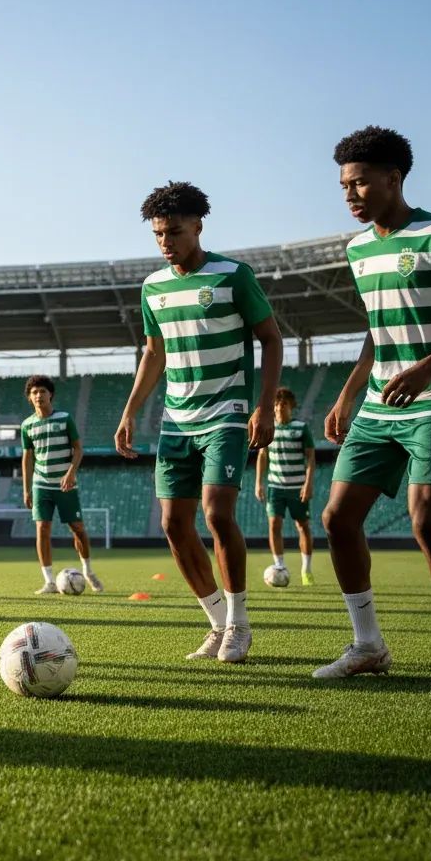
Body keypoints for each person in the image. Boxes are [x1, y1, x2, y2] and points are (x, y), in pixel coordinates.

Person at [318, 126, 431, 693]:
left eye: (361, 183)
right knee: (337, 519)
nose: (351, 194)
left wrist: (425, 368)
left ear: (394, 179)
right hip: (378, 401)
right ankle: (369, 645)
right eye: (344, 185)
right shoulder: (357, 248)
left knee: (427, 522)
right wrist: (350, 392)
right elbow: (378, 329)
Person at [115, 181, 282, 663]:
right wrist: (129, 411)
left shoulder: (233, 275)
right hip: (176, 421)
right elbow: (154, 353)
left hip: (226, 414)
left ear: (198, 226)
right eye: (158, 234)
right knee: (172, 523)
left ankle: (240, 625)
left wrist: (264, 405)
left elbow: (271, 339)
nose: (165, 242)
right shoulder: (153, 287)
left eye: (174, 232)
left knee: (217, 513)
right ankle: (216, 624)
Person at [21, 375, 103, 594]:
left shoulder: (64, 419)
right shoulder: (27, 425)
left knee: (77, 528)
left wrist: (71, 472)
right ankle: (48, 581)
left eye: (43, 391)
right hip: (41, 484)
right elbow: (27, 458)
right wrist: (26, 488)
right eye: (34, 392)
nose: (39, 395)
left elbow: (78, 449)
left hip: (66, 484)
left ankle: (88, 571)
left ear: (51, 395)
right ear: (30, 397)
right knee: (42, 529)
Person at [255, 387, 316, 584]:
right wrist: (258, 483)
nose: (280, 408)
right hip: (275, 486)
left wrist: (308, 483)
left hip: (297, 486)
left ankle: (306, 570)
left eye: (284, 404)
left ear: (291, 407)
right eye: (277, 404)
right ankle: (279, 565)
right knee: (274, 524)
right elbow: (262, 456)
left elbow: (311, 458)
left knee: (302, 526)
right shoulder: (268, 427)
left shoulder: (301, 428)